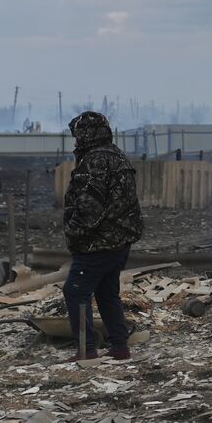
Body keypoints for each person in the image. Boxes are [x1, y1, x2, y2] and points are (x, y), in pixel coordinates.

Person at [61, 111, 144, 361]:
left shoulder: (94, 161)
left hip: (98, 242)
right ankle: (120, 346)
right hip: (120, 240)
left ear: (87, 134)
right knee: (107, 292)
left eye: (78, 135)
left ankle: (87, 349)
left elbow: (89, 208)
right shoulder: (117, 156)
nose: (76, 141)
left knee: (75, 291)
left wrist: (73, 234)